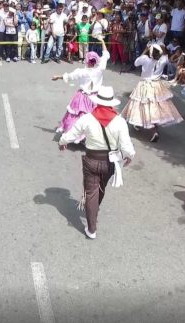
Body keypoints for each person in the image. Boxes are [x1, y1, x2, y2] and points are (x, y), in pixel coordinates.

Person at [58, 86, 135, 239]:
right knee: (100, 188)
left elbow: (71, 134)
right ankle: (93, 212)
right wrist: (129, 156)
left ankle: (91, 228)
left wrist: (62, 141)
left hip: (91, 159)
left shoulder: (87, 118)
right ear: (111, 103)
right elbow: (126, 146)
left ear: (97, 102)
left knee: (91, 191)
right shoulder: (120, 122)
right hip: (110, 162)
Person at [121, 45, 183, 142]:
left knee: (141, 105)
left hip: (144, 84)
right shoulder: (163, 59)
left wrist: (145, 49)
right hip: (157, 85)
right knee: (155, 107)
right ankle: (144, 126)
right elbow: (169, 58)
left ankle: (151, 130)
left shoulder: (145, 58)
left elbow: (136, 63)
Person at [51, 39, 110, 140]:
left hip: (82, 97)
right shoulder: (99, 69)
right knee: (93, 117)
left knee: (78, 116)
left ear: (86, 60)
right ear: (96, 60)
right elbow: (106, 55)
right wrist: (102, 41)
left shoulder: (81, 71)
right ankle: (89, 137)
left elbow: (69, 76)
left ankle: (77, 135)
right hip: (96, 97)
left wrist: (58, 76)